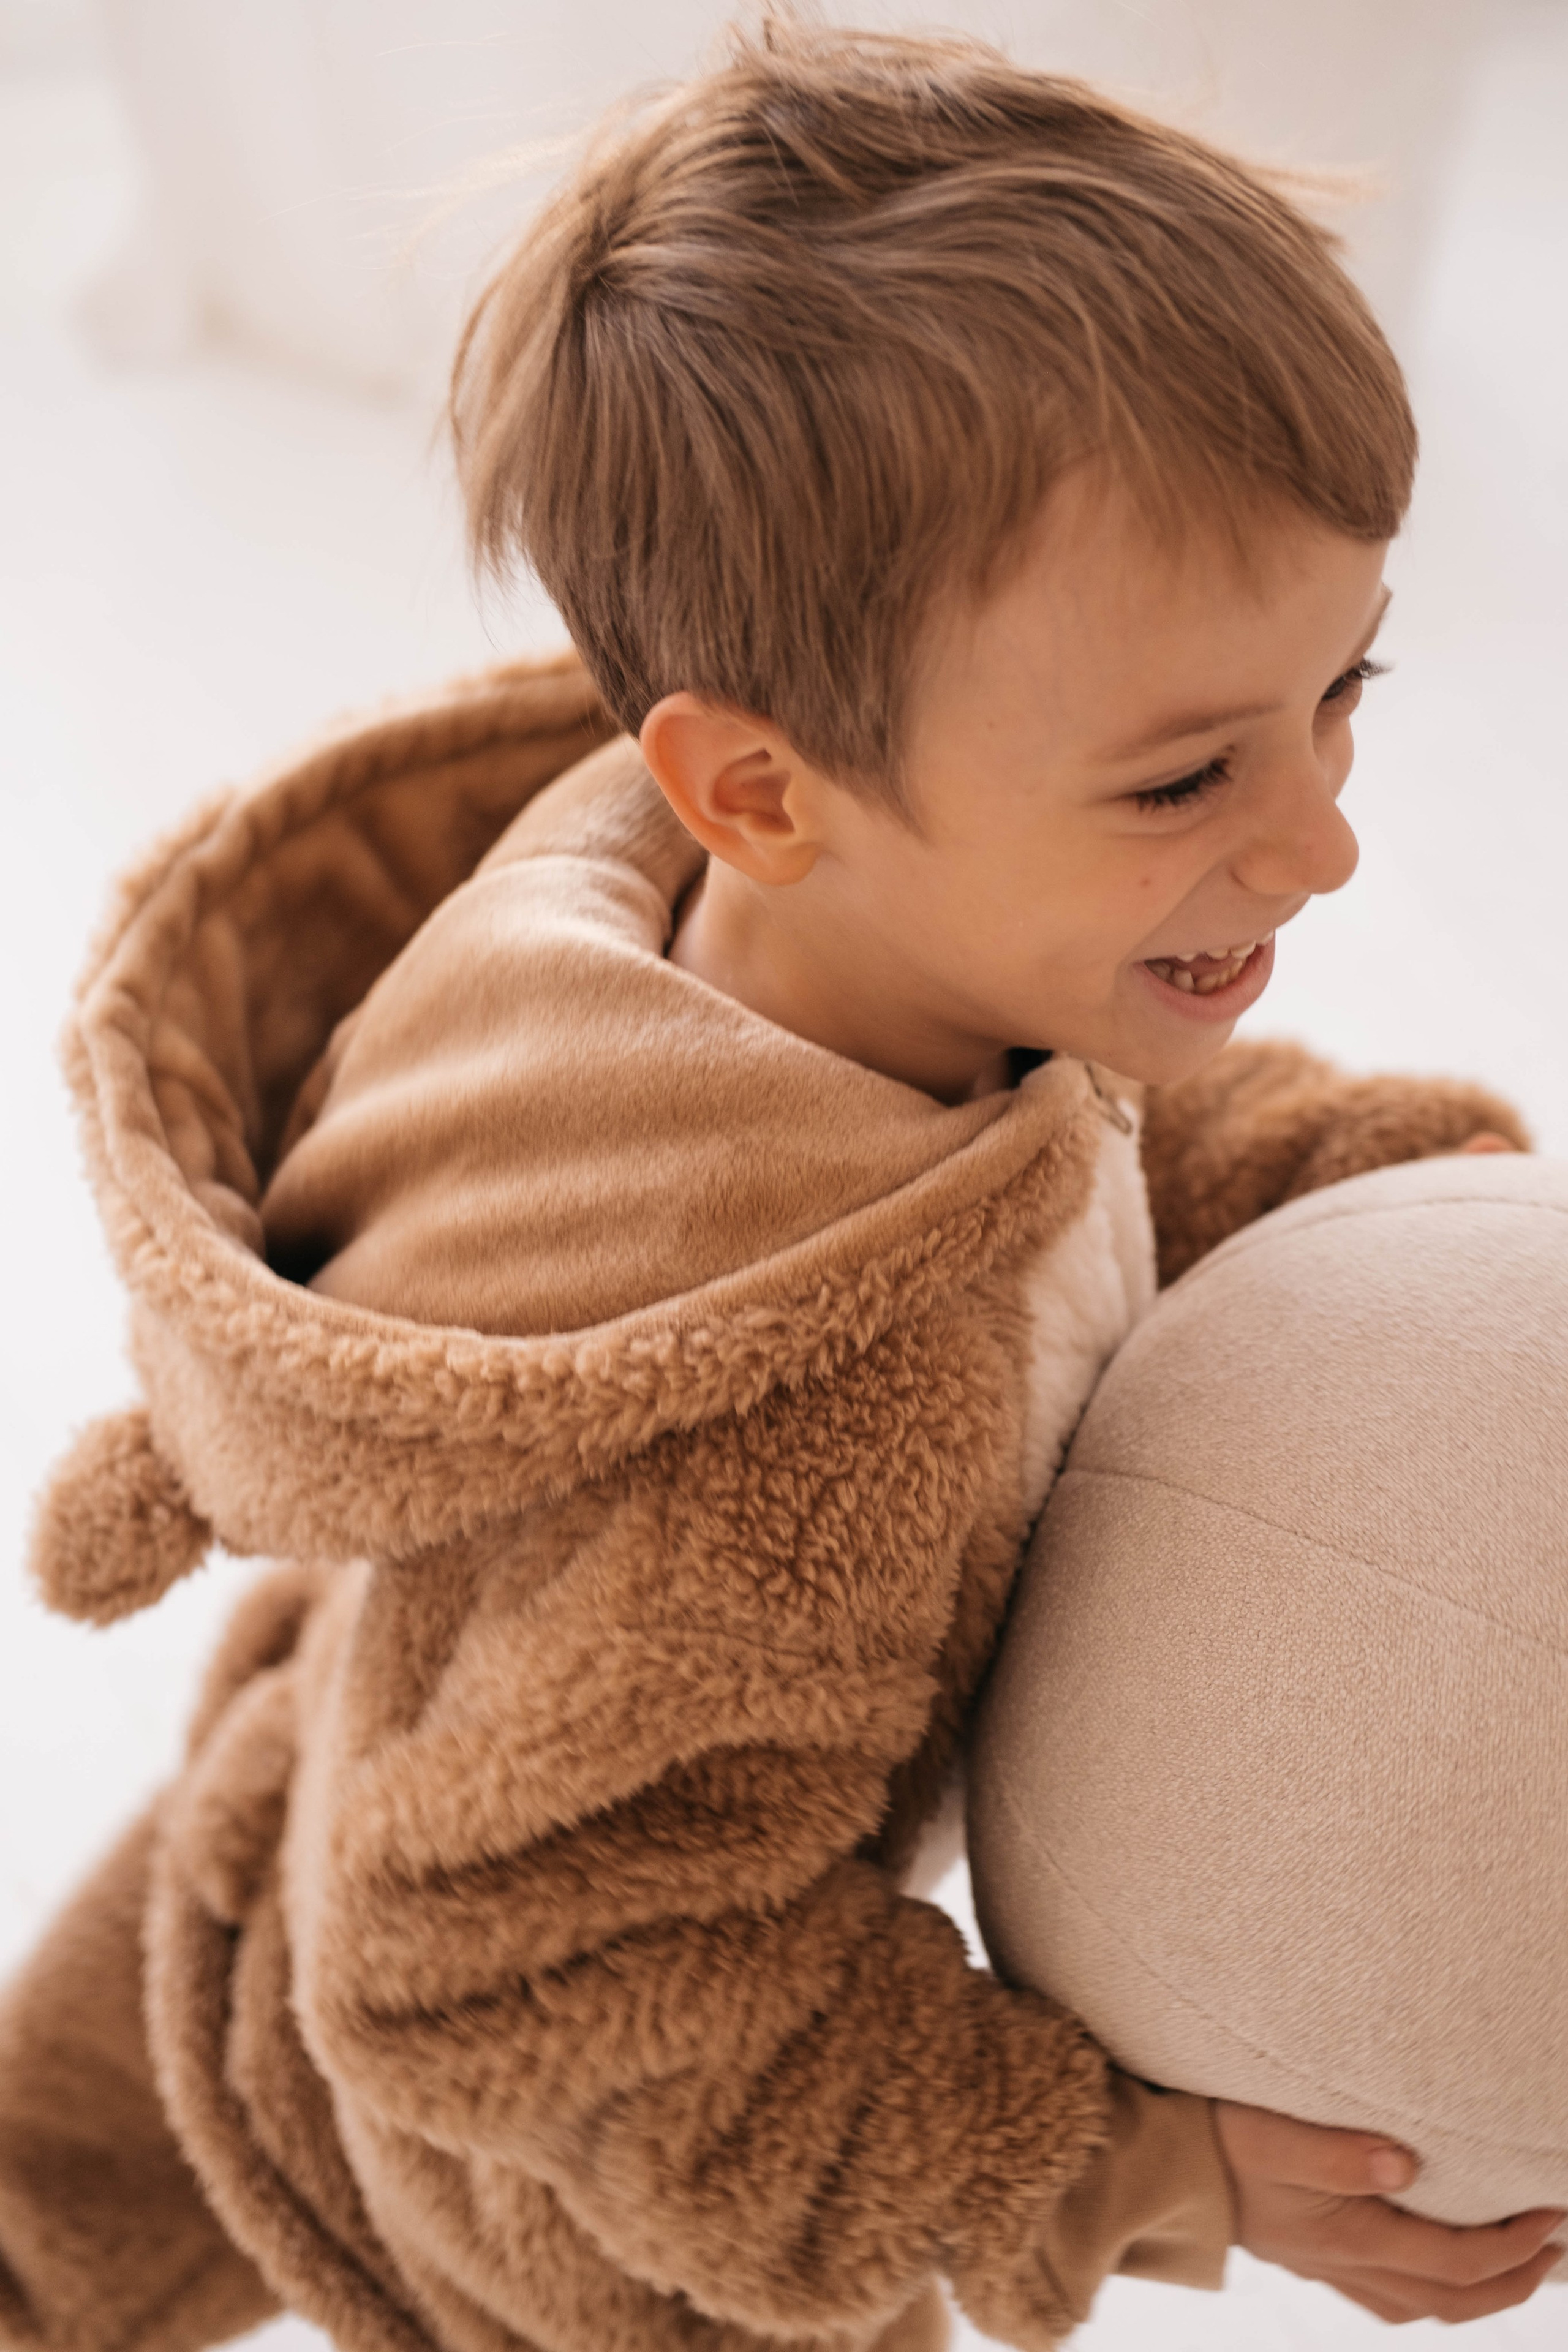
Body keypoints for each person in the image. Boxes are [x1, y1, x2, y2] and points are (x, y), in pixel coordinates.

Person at [1, 18, 1556, 2352]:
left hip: (380, 1711)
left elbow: (1112, 1136)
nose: (1321, 835)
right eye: (1183, 783)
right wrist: (1125, 2164)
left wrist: (1428, 1227)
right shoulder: (784, 1445)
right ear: (754, 790)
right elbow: (508, 1975)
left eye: (1347, 690)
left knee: (42, 2201)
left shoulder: (838, 933)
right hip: (565, 2174)